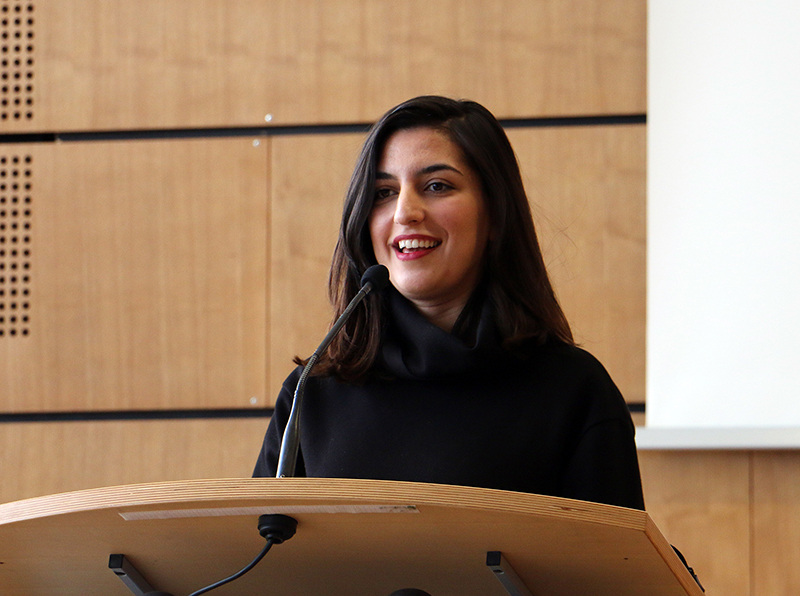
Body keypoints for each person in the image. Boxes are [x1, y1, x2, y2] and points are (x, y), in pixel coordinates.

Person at [253, 96, 645, 510]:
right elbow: (256, 560)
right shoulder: (311, 393)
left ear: (494, 213)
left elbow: (615, 569)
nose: (405, 212)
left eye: (437, 186)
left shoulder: (574, 392)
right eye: (383, 192)